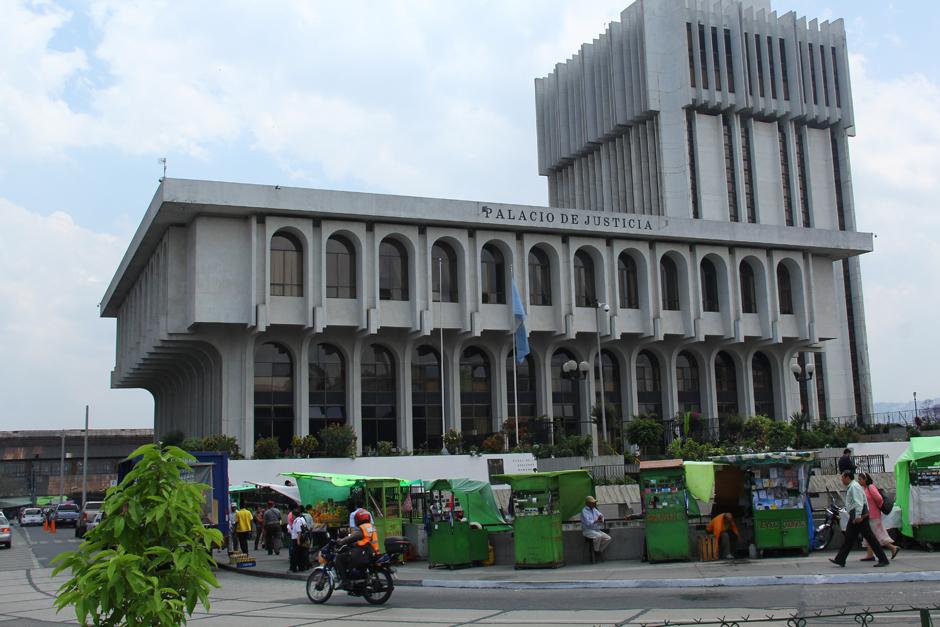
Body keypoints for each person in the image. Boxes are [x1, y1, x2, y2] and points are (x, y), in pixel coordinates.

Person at [829, 470, 889, 568]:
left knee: (870, 538)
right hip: (857, 517)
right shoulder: (853, 486)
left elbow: (859, 503)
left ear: (847, 477)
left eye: (842, 478)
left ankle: (883, 559)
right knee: (849, 538)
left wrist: (858, 517)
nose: (841, 480)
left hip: (859, 517)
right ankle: (840, 559)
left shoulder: (854, 487)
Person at [858, 473, 899, 561]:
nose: (859, 481)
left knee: (877, 534)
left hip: (874, 515)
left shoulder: (871, 487)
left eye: (860, 479)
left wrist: (878, 506)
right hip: (869, 515)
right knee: (870, 535)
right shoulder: (865, 488)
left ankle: (893, 548)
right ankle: (870, 554)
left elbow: (879, 498)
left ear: (865, 479)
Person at [335, 509, 379, 587]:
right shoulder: (371, 527)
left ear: (358, 519)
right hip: (373, 551)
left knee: (339, 558)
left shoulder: (362, 528)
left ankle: (344, 581)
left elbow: (352, 537)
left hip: (363, 552)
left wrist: (341, 541)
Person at [288, 507, 309, 572]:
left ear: (294, 515)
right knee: (300, 554)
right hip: (299, 539)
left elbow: (299, 531)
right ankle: (301, 567)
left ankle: (294, 568)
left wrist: (298, 540)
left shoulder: (297, 521)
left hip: (296, 539)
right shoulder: (301, 519)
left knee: (295, 555)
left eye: (292, 516)